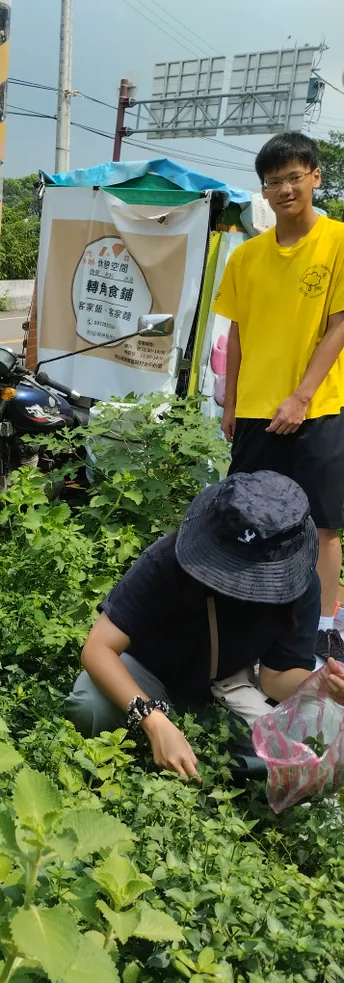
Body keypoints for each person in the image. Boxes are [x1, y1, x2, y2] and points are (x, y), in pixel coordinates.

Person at [65, 471, 344, 781]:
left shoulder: (300, 586)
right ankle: (156, 752)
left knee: (309, 752)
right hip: (149, 674)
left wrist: (322, 684)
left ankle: (205, 756)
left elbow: (276, 678)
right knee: (90, 706)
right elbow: (97, 648)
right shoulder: (168, 560)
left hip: (222, 691)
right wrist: (153, 720)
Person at [212, 132, 344, 660]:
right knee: (247, 518)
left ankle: (324, 630)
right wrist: (230, 403)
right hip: (254, 411)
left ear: (314, 176)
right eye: (274, 181)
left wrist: (302, 397)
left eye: (294, 177)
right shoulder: (246, 257)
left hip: (320, 409)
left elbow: (338, 325)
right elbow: (237, 334)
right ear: (263, 191)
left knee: (322, 525)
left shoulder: (337, 241)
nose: (285, 189)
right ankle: (251, 615)